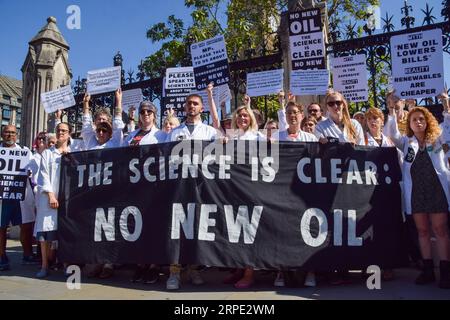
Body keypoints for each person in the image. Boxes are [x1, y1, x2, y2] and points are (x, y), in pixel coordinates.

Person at [384, 104, 450, 289]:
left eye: (421, 119)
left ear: (427, 121)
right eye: (414, 120)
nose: (418, 122)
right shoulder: (407, 142)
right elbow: (391, 133)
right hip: (416, 193)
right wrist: (391, 111)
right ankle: (427, 269)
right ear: (410, 124)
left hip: (437, 190)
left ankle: (445, 272)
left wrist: (446, 107)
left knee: (441, 230)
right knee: (422, 231)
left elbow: (448, 127)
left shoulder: (438, 138)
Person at [166, 93, 218, 290]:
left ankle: (194, 268)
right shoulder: (174, 132)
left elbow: (217, 159)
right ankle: (174, 272)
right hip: (179, 187)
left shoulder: (210, 132)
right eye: (189, 104)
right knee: (177, 228)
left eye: (195, 103)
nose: (192, 106)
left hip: (201, 186)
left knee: (198, 227)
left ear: (201, 107)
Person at [314, 90, 365, 285]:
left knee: (349, 222)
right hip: (330, 182)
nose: (336, 106)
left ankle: (346, 267)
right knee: (331, 224)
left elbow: (362, 151)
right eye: (332, 103)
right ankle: (331, 268)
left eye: (339, 102)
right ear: (326, 107)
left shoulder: (355, 125)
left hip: (351, 180)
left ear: (344, 104)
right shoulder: (320, 126)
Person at [34, 122, 72, 278]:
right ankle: (44, 265)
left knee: (66, 233)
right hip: (49, 199)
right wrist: (50, 195)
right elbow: (43, 175)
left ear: (69, 133)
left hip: (67, 198)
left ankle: (66, 264)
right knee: (45, 234)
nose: (61, 133)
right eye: (58, 130)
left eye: (64, 130)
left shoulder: (72, 152)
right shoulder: (47, 153)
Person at [0, 125, 38, 271]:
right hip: (2, 197)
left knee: (26, 225)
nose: (10, 135)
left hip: (21, 195)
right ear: (2, 134)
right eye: (7, 132)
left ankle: (27, 254)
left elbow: (34, 167)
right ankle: (2, 256)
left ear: (17, 135)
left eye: (12, 133)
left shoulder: (24, 151)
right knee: (1, 227)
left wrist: (29, 172)